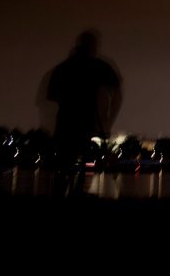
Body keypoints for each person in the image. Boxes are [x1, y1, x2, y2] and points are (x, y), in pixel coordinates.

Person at [47, 30, 122, 196]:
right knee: (80, 160)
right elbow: (117, 92)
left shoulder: (64, 68)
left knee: (66, 161)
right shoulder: (98, 67)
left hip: (67, 119)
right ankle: (77, 191)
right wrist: (107, 118)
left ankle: (64, 191)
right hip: (85, 120)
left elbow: (51, 95)